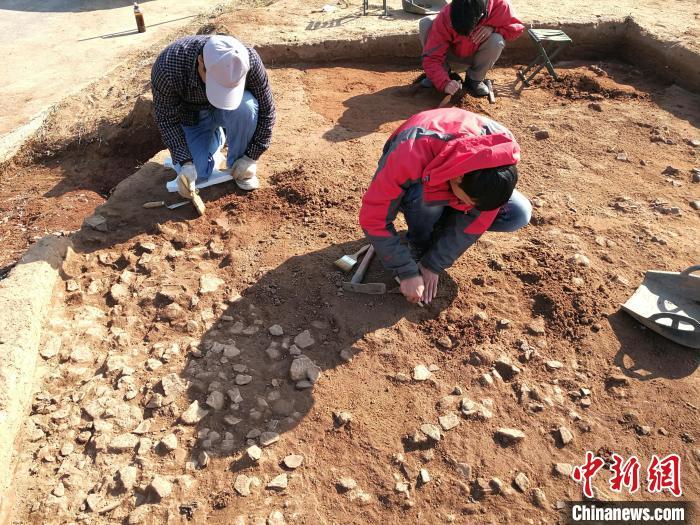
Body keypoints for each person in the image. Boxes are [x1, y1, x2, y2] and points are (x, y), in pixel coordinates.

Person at [359, 108, 531, 304]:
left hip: (453, 171)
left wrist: (432, 264)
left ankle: (439, 229)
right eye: (470, 202)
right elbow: (373, 218)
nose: (471, 207)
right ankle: (419, 241)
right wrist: (405, 271)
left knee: (518, 213)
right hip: (419, 176)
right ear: (459, 177)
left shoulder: (501, 153)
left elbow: (478, 220)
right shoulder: (409, 152)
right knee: (423, 198)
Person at [151, 34, 276, 196]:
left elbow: (267, 111)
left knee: (247, 108)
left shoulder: (248, 59)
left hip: (231, 112)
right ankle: (217, 137)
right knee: (198, 174)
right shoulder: (168, 67)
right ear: (201, 62)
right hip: (193, 116)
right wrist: (185, 163)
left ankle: (238, 165)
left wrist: (250, 157)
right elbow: (166, 120)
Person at [419, 0, 524, 97]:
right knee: (426, 23)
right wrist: (443, 82)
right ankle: (442, 72)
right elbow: (431, 57)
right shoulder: (446, 14)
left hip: (475, 56)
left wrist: (493, 29)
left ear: (481, 16)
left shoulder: (501, 6)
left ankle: (474, 79)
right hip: (449, 55)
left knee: (496, 40)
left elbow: (516, 30)